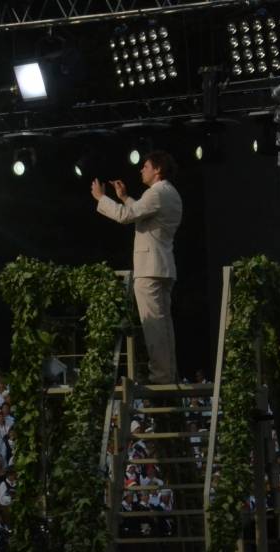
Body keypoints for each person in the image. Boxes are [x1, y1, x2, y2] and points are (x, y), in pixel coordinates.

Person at [93, 150, 182, 384]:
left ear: (157, 170)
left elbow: (126, 216)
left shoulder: (156, 192)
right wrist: (124, 197)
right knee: (163, 325)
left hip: (150, 269)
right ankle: (167, 373)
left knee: (153, 325)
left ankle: (161, 376)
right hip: (162, 266)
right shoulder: (170, 193)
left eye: (146, 166)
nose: (141, 169)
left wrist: (102, 198)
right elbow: (143, 213)